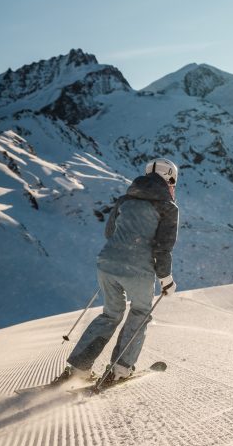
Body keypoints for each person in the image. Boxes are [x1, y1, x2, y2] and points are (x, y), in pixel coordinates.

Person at [52, 158, 180, 386]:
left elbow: (110, 232)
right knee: (140, 313)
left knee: (111, 314)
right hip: (137, 269)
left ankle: (78, 368)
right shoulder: (168, 208)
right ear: (168, 178)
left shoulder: (124, 200)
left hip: (107, 263)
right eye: (173, 183)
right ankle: (121, 369)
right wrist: (166, 278)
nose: (173, 188)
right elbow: (163, 246)